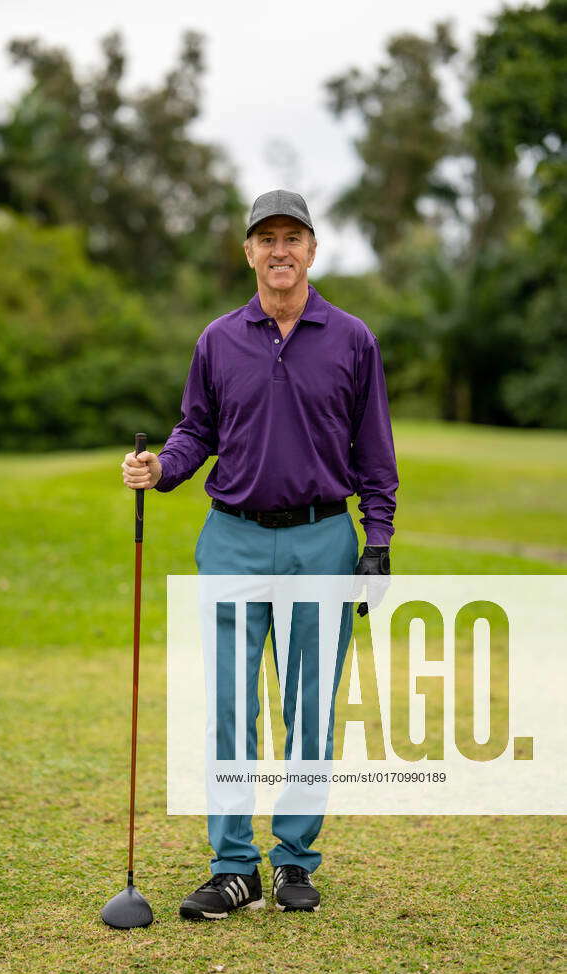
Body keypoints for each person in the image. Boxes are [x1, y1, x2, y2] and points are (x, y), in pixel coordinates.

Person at [122, 190, 398, 920]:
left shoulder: (351, 338)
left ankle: (294, 863)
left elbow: (374, 449)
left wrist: (377, 541)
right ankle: (233, 867)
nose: (279, 250)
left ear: (312, 250)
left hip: (321, 537)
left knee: (310, 709)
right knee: (229, 708)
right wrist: (162, 470)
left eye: (292, 237)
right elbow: (195, 429)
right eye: (265, 238)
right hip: (233, 537)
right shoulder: (218, 339)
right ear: (247, 252)